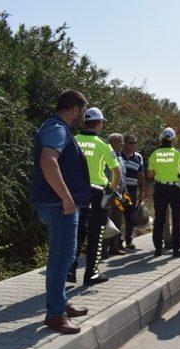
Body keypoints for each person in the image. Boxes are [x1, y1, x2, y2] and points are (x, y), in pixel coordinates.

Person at [29, 89, 90, 334]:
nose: (83, 115)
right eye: (83, 110)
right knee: (61, 258)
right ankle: (55, 314)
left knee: (63, 257)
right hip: (59, 205)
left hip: (54, 203)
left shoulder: (53, 127)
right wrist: (66, 198)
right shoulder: (57, 129)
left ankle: (61, 303)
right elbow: (48, 161)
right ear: (75, 108)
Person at [68, 107, 121, 286]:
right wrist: (111, 190)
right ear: (98, 123)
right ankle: (91, 274)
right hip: (97, 193)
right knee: (96, 235)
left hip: (75, 192)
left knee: (76, 232)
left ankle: (70, 271)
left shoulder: (73, 140)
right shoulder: (102, 144)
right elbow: (117, 172)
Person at [146, 127, 180, 257]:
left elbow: (150, 174)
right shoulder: (178, 153)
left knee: (159, 219)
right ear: (173, 139)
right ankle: (176, 250)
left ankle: (158, 250)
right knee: (177, 219)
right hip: (175, 189)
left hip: (160, 189)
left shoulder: (155, 154)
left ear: (162, 138)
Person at [121, 133, 146, 250]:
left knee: (130, 216)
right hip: (118, 191)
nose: (133, 145)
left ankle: (128, 240)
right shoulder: (117, 155)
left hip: (132, 190)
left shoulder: (138, 157)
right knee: (117, 216)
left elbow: (140, 175)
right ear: (124, 143)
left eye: (135, 143)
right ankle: (115, 243)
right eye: (131, 142)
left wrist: (141, 191)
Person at [104, 133, 127, 257]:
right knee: (105, 221)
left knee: (117, 220)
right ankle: (102, 250)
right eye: (121, 141)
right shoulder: (105, 153)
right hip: (108, 193)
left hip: (119, 193)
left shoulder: (119, 156)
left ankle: (115, 247)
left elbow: (122, 174)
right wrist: (112, 185)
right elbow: (104, 173)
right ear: (114, 142)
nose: (123, 144)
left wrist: (125, 190)